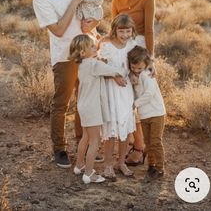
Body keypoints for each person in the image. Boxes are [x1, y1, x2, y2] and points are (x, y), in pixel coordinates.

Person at [33, 0, 90, 168]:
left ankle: (84, 146)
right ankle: (59, 149)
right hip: (64, 55)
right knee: (61, 104)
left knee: (84, 100)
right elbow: (57, 30)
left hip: (86, 51)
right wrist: (75, 2)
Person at [111, 0, 156, 165]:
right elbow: (114, 32)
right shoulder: (116, 2)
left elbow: (149, 30)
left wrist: (150, 58)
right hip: (121, 52)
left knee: (139, 98)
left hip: (139, 52)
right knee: (125, 99)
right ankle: (131, 141)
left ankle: (141, 147)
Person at [69, 34, 125, 184]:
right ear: (82, 52)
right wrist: (122, 69)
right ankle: (88, 174)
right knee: (95, 140)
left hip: (83, 106)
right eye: (92, 46)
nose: (96, 48)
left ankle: (79, 165)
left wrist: (100, 60)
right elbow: (113, 69)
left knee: (86, 137)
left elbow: (102, 68)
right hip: (92, 108)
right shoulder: (94, 65)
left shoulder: (83, 64)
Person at [99, 14, 136, 179]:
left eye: (128, 31)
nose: (125, 35)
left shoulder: (132, 46)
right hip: (111, 90)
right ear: (114, 30)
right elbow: (100, 68)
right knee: (111, 129)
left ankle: (121, 162)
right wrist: (114, 75)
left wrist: (135, 74)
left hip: (126, 91)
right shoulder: (106, 46)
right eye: (121, 31)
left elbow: (136, 65)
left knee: (125, 127)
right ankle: (107, 165)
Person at [127, 46, 166, 179]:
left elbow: (149, 94)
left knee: (155, 141)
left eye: (139, 68)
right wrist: (132, 74)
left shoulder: (148, 75)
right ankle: (151, 165)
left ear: (146, 64)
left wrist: (135, 104)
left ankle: (160, 169)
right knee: (148, 142)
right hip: (144, 114)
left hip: (156, 113)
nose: (136, 71)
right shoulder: (134, 75)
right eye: (133, 68)